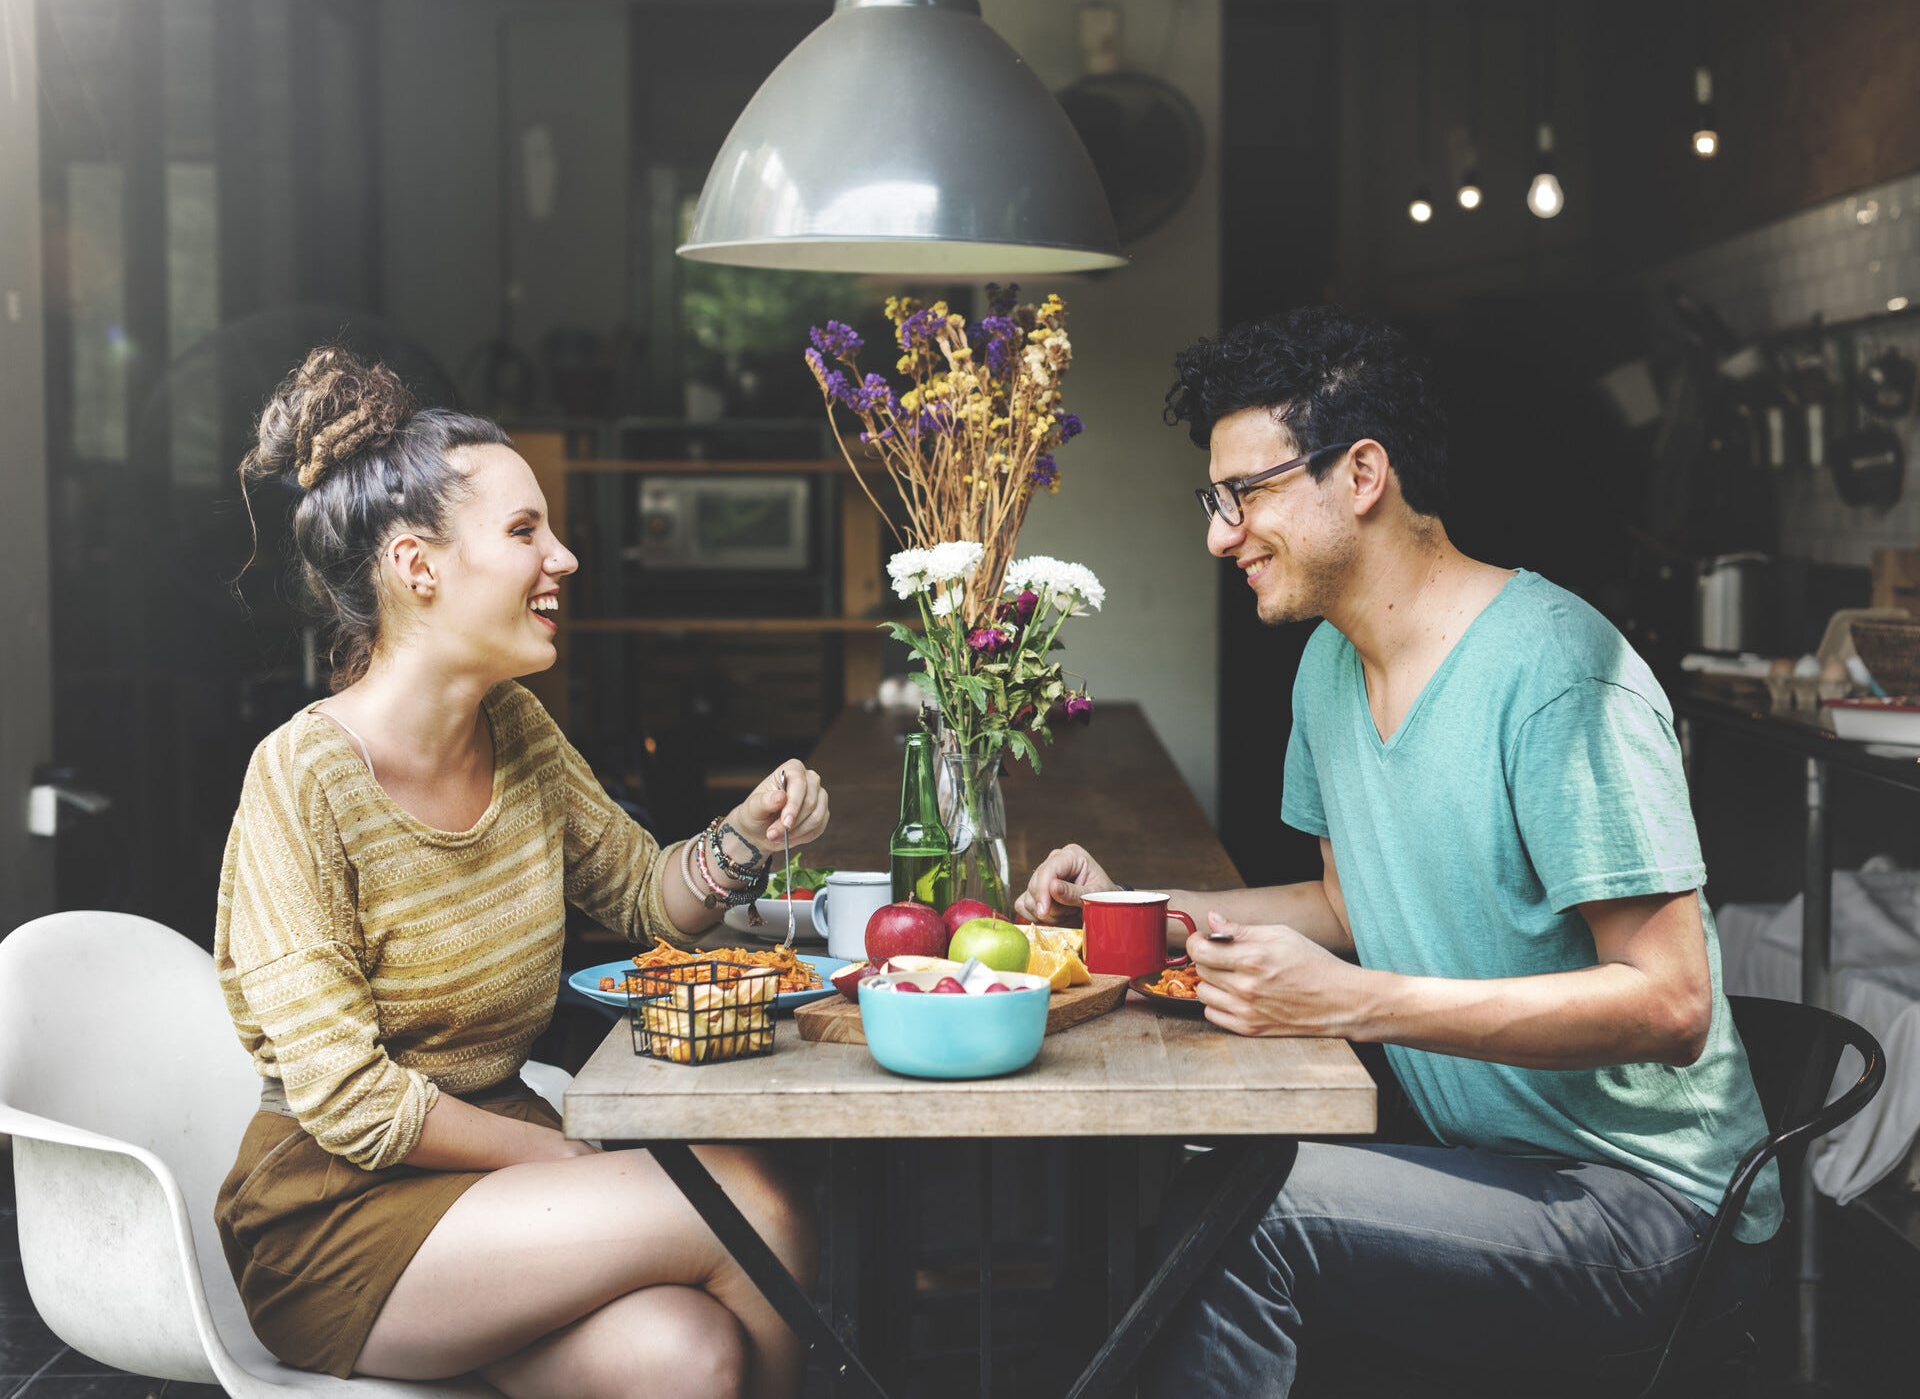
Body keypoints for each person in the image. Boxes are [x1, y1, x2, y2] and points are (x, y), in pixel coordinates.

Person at [1015, 306, 1781, 1392]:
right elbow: (1351, 901)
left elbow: (1669, 1004)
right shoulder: (1330, 668)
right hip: (1482, 1168)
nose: (1219, 534)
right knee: (1170, 1188)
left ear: (1362, 473)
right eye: (1215, 500)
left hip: (1642, 1206)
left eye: (1246, 494)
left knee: (1247, 1217)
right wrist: (1142, 904)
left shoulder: (1561, 674)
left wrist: (1347, 1001)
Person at [214, 347, 826, 1398]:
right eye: (524, 531)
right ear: (419, 567)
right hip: (336, 1214)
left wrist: (742, 838)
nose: (566, 558)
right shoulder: (302, 779)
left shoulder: (516, 730)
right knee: (747, 1198)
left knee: (693, 1357)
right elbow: (350, 1099)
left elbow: (645, 897)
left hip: (503, 1190)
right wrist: (565, 1160)